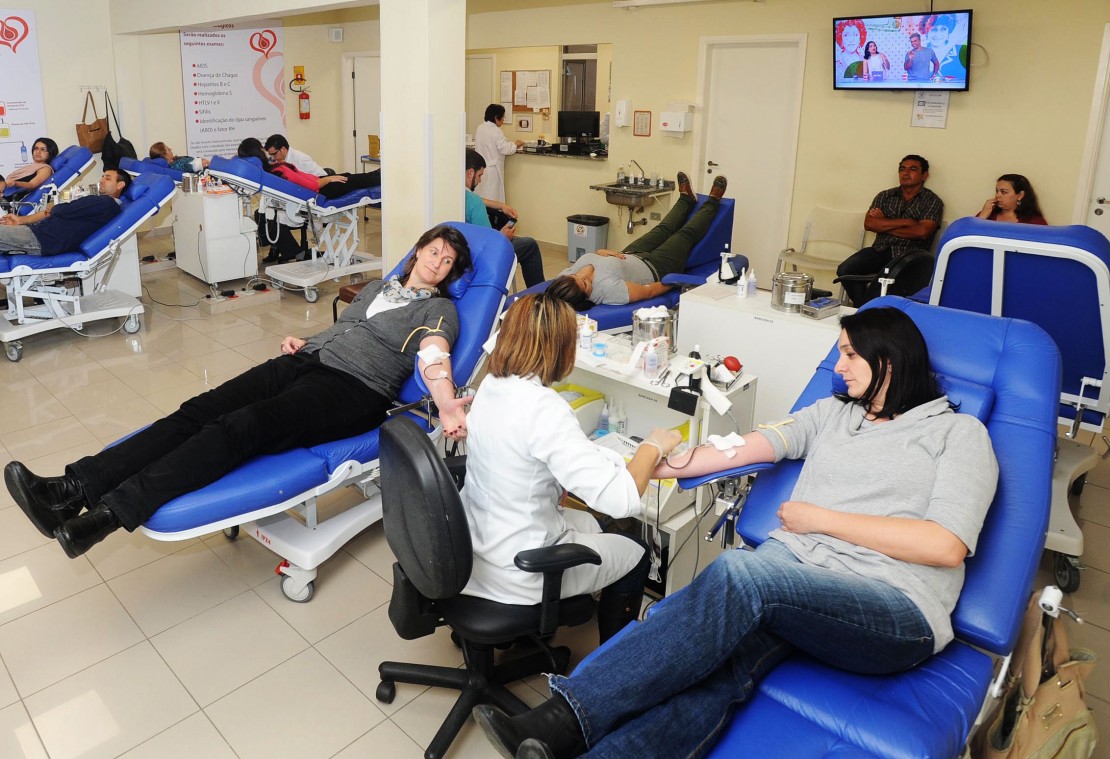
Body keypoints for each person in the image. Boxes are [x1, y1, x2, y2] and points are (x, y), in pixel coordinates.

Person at [472, 306, 999, 759]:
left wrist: (817, 519)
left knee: (740, 574)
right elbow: (750, 445)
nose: (838, 369)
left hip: (893, 609)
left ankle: (562, 720)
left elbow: (945, 545)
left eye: (850, 356)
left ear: (890, 359)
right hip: (800, 587)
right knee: (718, 672)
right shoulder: (835, 414)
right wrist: (655, 460)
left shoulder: (957, 433)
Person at [4, 224, 474, 559]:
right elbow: (348, 328)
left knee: (238, 427)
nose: (437, 263)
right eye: (433, 252)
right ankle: (73, 487)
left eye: (447, 262)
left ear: (450, 274)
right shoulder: (378, 286)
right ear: (417, 252)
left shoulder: (439, 310)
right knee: (197, 410)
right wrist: (306, 343)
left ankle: (103, 519)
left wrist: (448, 398)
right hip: (307, 362)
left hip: (353, 391)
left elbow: (434, 355)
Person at [461, 293, 683, 643]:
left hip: (476, 547)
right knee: (635, 553)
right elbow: (621, 499)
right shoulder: (543, 407)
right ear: (561, 349)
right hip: (518, 565)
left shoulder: (492, 384)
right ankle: (612, 669)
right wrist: (651, 448)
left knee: (593, 523)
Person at [547, 172, 727, 309]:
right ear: (586, 296)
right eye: (585, 283)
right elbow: (648, 292)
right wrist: (671, 282)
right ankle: (713, 201)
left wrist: (599, 252)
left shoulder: (564, 280)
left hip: (631, 254)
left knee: (662, 229)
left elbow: (556, 291)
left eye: (577, 275)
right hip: (657, 267)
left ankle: (686, 199)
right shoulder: (607, 291)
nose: (583, 275)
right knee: (683, 235)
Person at [836, 154, 943, 307]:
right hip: (880, 250)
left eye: (912, 169)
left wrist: (884, 224)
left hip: (910, 255)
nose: (906, 173)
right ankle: (864, 307)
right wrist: (907, 222)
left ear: (924, 175)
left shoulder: (932, 201)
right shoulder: (885, 196)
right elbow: (870, 224)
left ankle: (870, 311)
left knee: (888, 282)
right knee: (846, 269)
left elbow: (922, 232)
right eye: (902, 169)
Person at [464, 149, 545, 288]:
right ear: (470, 172)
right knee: (530, 245)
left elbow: (472, 199)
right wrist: (503, 236)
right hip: (480, 259)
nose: (479, 180)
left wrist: (500, 205)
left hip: (461, 254)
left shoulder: (451, 194)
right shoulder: (475, 204)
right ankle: (540, 298)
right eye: (479, 176)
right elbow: (489, 244)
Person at [0, 168, 130, 256]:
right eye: (102, 177)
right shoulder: (101, 202)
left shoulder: (106, 203)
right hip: (39, 234)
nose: (101, 180)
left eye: (107, 178)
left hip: (42, 239)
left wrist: (56, 207)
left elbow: (64, 210)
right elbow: (57, 211)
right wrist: (20, 221)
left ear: (120, 185)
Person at [238, 138, 380, 201]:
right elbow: (312, 185)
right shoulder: (280, 170)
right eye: (264, 151)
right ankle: (384, 176)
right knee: (356, 180)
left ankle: (381, 175)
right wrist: (329, 178)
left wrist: (327, 178)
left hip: (319, 185)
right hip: (320, 191)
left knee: (350, 177)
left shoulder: (271, 171)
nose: (270, 155)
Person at [474, 104, 525, 203]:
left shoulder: (480, 127)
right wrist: (516, 145)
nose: (503, 120)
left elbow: (497, 144)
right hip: (492, 171)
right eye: (502, 117)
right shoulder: (496, 131)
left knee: (483, 197)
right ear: (496, 118)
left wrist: (512, 144)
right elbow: (505, 149)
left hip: (481, 169)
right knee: (493, 199)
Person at [975, 173, 1047, 225]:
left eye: (1004, 192)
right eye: (997, 191)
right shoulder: (989, 215)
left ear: (1020, 195)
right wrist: (982, 217)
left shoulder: (1035, 222)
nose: (997, 195)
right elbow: (968, 236)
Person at [923, 13, 966, 81]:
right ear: (927, 32)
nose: (938, 34)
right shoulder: (919, 54)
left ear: (949, 31)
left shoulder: (960, 50)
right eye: (934, 29)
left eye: (943, 29)